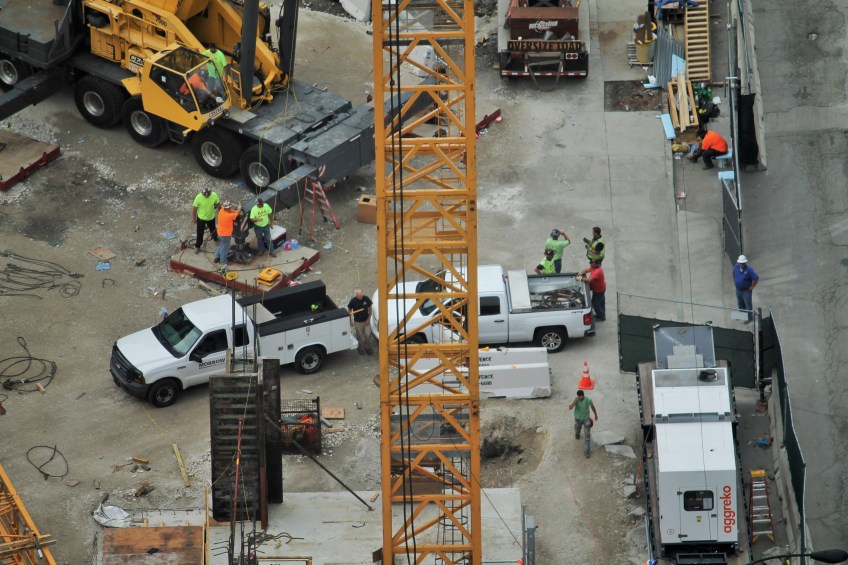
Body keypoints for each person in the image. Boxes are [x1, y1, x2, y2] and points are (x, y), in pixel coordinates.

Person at [568, 390, 598, 458]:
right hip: (578, 418)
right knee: (577, 429)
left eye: (580, 397)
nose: (579, 398)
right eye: (578, 397)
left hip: (586, 418)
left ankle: (586, 451)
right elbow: (570, 408)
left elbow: (593, 407)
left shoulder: (588, 400)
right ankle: (577, 434)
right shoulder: (576, 400)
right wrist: (575, 401)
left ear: (583, 395)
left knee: (587, 435)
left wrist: (595, 415)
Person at [191, 187, 220, 254]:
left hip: (211, 217)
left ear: (210, 193)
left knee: (213, 229)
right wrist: (194, 218)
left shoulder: (214, 195)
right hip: (201, 218)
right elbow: (194, 209)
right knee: (200, 232)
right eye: (205, 195)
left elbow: (218, 205)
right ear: (202, 193)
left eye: (208, 195)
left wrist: (221, 215)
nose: (206, 196)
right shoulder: (198, 197)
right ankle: (197, 246)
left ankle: (215, 238)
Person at [213, 201, 241, 270]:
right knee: (225, 247)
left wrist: (234, 210)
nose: (231, 208)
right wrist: (239, 207)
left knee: (222, 245)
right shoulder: (229, 216)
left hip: (220, 232)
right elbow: (237, 214)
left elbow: (231, 211)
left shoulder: (222, 211)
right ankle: (224, 261)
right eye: (230, 207)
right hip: (226, 234)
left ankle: (216, 257)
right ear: (227, 208)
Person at [733, 254, 759, 323]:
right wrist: (736, 283)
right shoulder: (736, 267)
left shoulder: (749, 270)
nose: (742, 265)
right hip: (738, 290)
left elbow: (756, 278)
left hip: (746, 291)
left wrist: (752, 287)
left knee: (748, 305)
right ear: (738, 262)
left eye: (743, 263)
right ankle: (742, 315)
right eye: (740, 263)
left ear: (745, 263)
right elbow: (734, 274)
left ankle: (749, 318)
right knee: (740, 303)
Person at [347, 289, 374, 355]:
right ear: (356, 295)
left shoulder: (366, 299)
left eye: (361, 296)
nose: (360, 297)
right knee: (359, 336)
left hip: (366, 320)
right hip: (357, 322)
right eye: (359, 296)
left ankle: (368, 347)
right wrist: (350, 321)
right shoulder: (353, 301)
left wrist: (369, 319)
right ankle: (361, 348)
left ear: (362, 294)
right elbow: (349, 311)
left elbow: (370, 309)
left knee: (367, 334)